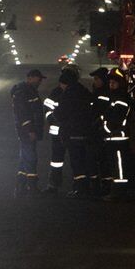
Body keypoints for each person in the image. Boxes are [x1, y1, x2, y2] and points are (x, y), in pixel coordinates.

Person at [53, 66, 95, 197]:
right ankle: (87, 187)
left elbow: (60, 113)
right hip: (85, 131)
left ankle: (80, 188)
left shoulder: (68, 94)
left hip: (72, 132)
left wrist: (56, 115)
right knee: (84, 160)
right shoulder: (83, 90)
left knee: (76, 161)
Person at [11, 68, 44, 197]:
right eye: (38, 78)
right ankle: (32, 187)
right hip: (27, 131)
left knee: (24, 157)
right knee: (30, 157)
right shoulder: (23, 92)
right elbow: (22, 113)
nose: (40, 81)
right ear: (30, 78)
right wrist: (30, 129)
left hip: (29, 130)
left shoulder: (29, 91)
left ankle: (20, 187)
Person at [103, 68, 133, 201]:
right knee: (115, 165)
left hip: (118, 137)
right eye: (110, 83)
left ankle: (118, 192)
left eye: (114, 83)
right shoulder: (115, 97)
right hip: (113, 137)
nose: (111, 85)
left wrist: (106, 127)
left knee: (119, 165)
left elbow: (115, 118)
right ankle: (115, 191)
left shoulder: (120, 98)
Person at [88, 67, 111, 197]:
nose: (95, 81)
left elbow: (100, 112)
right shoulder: (97, 92)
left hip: (101, 132)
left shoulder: (103, 94)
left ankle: (104, 185)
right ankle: (99, 185)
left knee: (102, 159)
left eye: (97, 79)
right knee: (97, 159)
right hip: (96, 131)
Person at [42, 83, 65, 194]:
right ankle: (53, 184)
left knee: (59, 160)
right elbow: (47, 106)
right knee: (56, 160)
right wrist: (52, 119)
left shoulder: (74, 91)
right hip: (59, 132)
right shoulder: (56, 92)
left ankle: (53, 185)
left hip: (68, 131)